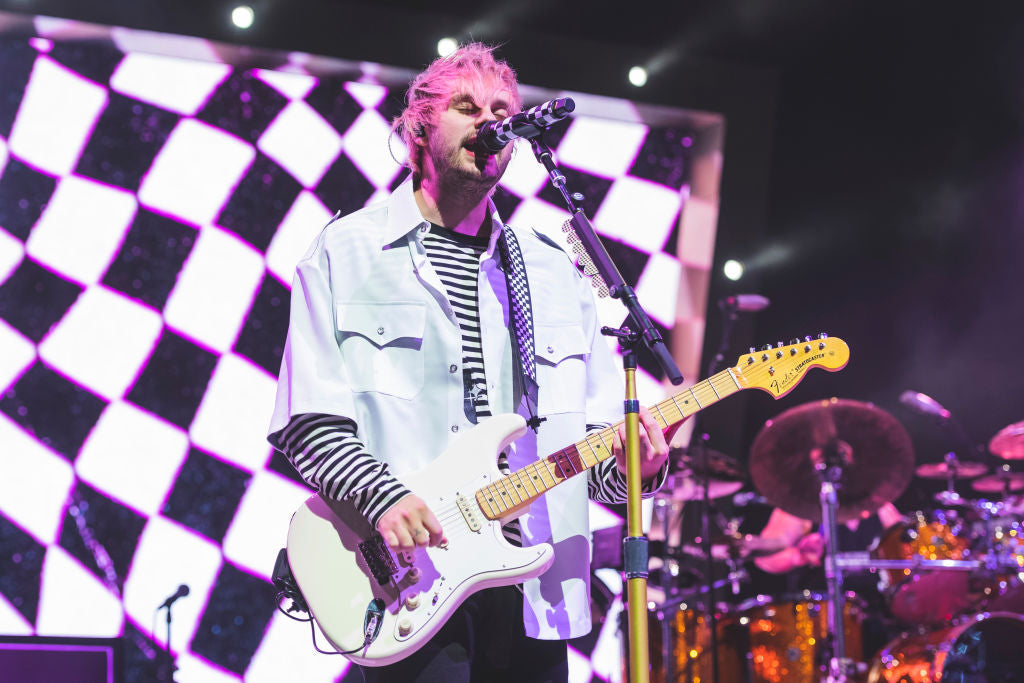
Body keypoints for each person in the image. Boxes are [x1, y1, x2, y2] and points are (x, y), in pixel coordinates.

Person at [267, 43, 677, 683]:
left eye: (502, 111)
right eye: (467, 107)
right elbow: (308, 420)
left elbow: (581, 450)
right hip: (413, 577)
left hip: (532, 583)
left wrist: (634, 471)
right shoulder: (347, 252)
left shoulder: (551, 269)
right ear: (417, 130)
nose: (490, 122)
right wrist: (384, 499)